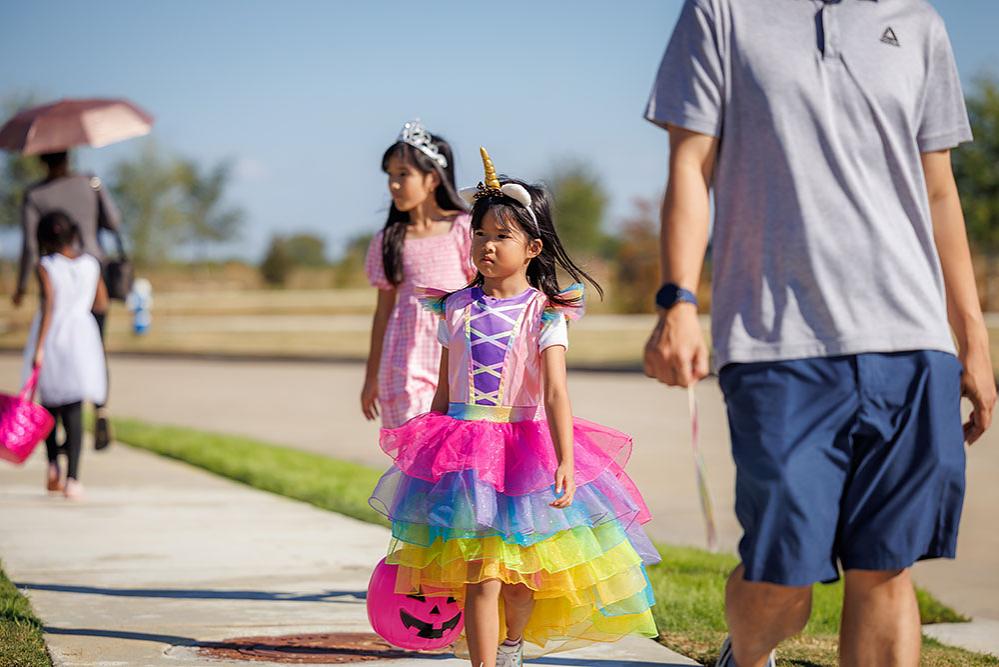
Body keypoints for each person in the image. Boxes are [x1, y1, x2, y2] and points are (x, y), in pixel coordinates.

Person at [642, 2, 996, 666]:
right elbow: (690, 165)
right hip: (777, 343)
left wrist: (970, 336)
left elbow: (939, 191)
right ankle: (744, 655)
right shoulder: (721, 13)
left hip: (910, 339)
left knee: (885, 566)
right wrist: (678, 301)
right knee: (782, 576)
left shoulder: (916, 22)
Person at [368, 149, 660, 667]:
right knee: (480, 575)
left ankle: (511, 644)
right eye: (480, 234)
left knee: (521, 584)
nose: (486, 245)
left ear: (532, 248)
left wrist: (566, 460)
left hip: (522, 452)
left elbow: (553, 394)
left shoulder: (545, 311)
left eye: (502, 236)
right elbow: (441, 389)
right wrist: (426, 448)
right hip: (461, 450)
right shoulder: (453, 307)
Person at [362, 120, 476, 427]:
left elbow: (482, 294)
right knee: (412, 458)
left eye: (403, 174)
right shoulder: (389, 240)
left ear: (432, 179)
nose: (394, 184)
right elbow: (382, 312)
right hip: (401, 364)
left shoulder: (463, 229)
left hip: (454, 361)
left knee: (450, 455)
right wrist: (371, 376)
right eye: (389, 175)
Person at [15, 149, 121, 450]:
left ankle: (57, 424)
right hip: (91, 277)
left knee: (53, 360)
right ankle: (100, 405)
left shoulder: (35, 195)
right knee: (93, 350)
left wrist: (22, 286)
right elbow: (114, 222)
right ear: (68, 156)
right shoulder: (90, 183)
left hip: (56, 282)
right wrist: (97, 190)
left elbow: (29, 246)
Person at [23, 211, 108, 500]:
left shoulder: (46, 265)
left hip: (54, 334)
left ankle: (52, 467)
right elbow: (101, 302)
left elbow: (49, 304)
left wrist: (40, 346)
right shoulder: (90, 265)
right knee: (74, 408)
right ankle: (74, 479)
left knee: (49, 406)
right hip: (82, 336)